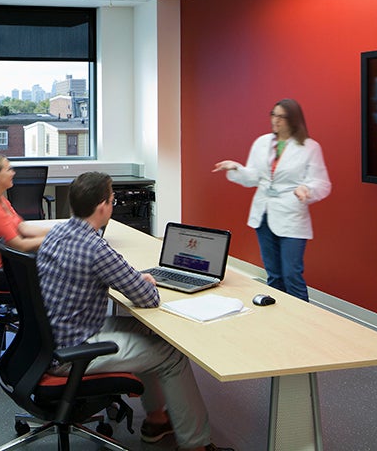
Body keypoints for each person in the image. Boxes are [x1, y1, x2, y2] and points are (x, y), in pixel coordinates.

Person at [36, 172, 231, 451]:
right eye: (113, 199)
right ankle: (197, 445)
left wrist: (134, 278)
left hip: (54, 337)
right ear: (102, 206)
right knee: (172, 355)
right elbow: (148, 298)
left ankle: (156, 420)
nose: (113, 204)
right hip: (73, 351)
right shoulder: (95, 247)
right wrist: (144, 281)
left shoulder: (58, 232)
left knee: (152, 335)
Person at [213, 98, 331, 302]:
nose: (275, 120)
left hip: (291, 215)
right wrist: (236, 168)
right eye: (273, 114)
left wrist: (307, 189)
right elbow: (253, 177)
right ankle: (277, 322)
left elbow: (322, 183)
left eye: (281, 117)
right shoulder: (262, 142)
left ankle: (303, 322)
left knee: (291, 274)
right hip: (263, 214)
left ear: (294, 120)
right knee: (274, 275)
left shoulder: (310, 147)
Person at [0, 154, 50, 269]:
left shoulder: (0, 199)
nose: (13, 173)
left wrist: (58, 231)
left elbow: (23, 228)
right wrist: (55, 239)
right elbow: (20, 246)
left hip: (14, 263)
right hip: (5, 271)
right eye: (9, 170)